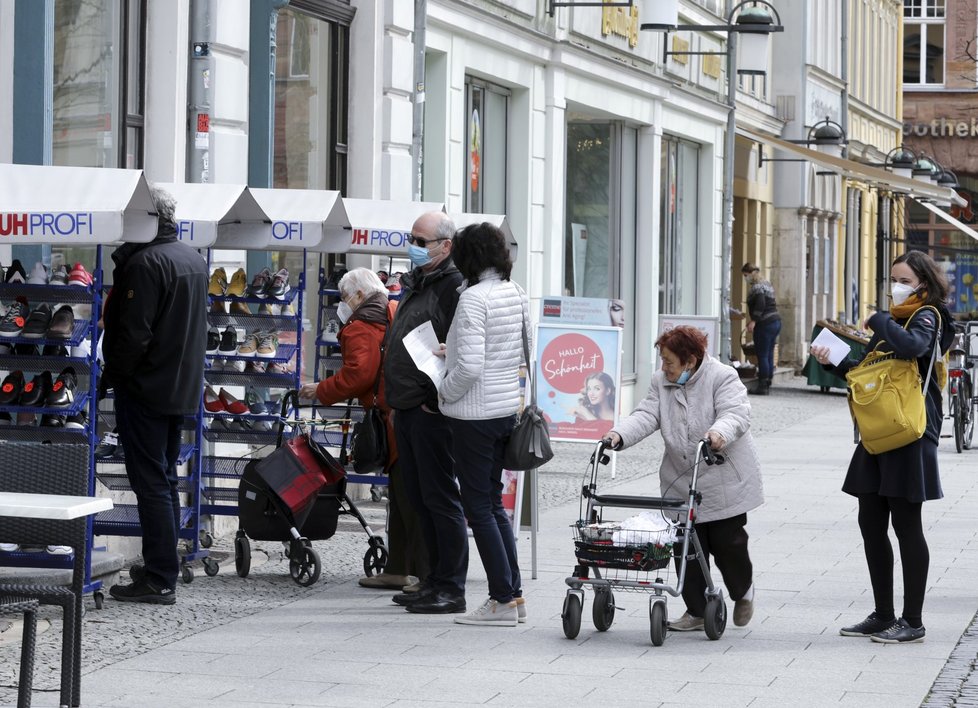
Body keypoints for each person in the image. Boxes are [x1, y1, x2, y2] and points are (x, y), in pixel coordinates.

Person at [810, 251, 953, 644]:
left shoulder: (929, 316)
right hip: (879, 432)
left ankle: (913, 620)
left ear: (923, 282)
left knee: (907, 526)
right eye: (892, 278)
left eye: (903, 279)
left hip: (910, 431)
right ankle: (883, 614)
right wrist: (831, 361)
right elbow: (864, 372)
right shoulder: (895, 321)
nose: (896, 285)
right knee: (870, 523)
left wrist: (880, 320)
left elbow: (912, 349)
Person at [602, 326, 763, 631]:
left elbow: (736, 414)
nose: (664, 367)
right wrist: (618, 435)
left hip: (722, 477)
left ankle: (743, 592)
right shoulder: (661, 382)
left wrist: (719, 433)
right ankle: (698, 610)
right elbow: (647, 415)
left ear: (690, 361)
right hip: (680, 478)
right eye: (662, 360)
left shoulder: (722, 376)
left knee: (728, 543)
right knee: (685, 546)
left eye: (669, 361)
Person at [103, 186, 208, 605]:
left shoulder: (146, 263)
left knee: (152, 483)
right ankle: (161, 568)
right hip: (177, 386)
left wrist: (113, 377)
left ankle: (160, 575)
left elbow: (132, 335)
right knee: (163, 479)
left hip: (146, 387)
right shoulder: (190, 258)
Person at [297, 268, 428, 590]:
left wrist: (322, 390)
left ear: (357, 295)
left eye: (344, 297)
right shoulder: (393, 308)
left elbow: (359, 375)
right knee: (405, 495)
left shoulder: (360, 326)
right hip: (406, 411)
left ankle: (424, 575)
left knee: (407, 499)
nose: (343, 304)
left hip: (391, 415)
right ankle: (400, 567)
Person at [437, 222, 528, 627]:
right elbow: (516, 348)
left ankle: (501, 599)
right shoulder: (515, 292)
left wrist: (444, 389)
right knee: (492, 504)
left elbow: (471, 367)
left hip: (474, 414)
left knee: (479, 506)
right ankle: (514, 594)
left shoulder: (473, 300)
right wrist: (452, 348)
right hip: (504, 409)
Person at [383, 211, 468, 615]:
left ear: (445, 246)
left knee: (439, 497)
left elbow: (457, 350)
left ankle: (450, 586)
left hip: (430, 409)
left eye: (421, 241)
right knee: (419, 497)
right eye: (411, 238)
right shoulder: (420, 281)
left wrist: (432, 401)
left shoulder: (452, 285)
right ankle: (431, 579)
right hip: (407, 406)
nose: (413, 246)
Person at [742, 263, 781, 395]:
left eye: (745, 275)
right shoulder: (767, 284)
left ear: (750, 274)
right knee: (769, 353)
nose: (744, 278)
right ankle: (768, 381)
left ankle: (762, 386)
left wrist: (754, 320)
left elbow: (760, 303)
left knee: (762, 354)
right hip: (775, 321)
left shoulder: (757, 287)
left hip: (765, 324)